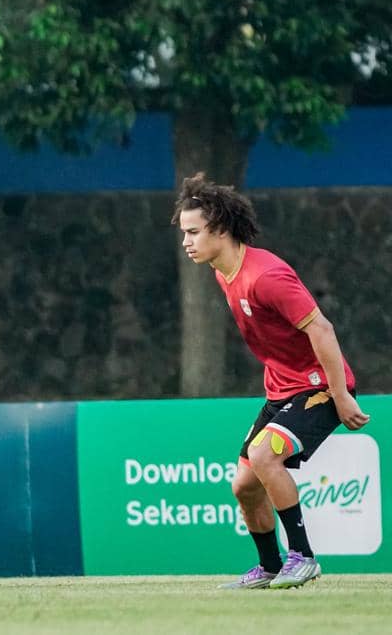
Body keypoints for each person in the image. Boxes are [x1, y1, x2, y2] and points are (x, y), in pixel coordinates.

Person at [173, 173, 369, 590]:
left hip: (319, 388)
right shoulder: (223, 272)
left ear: (221, 230)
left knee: (264, 457)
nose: (186, 241)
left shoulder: (267, 277)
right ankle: (270, 567)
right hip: (281, 390)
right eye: (184, 232)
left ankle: (304, 558)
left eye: (193, 232)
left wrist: (341, 396)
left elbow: (323, 330)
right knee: (243, 486)